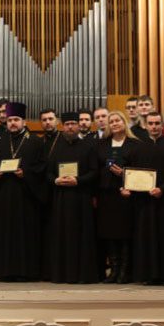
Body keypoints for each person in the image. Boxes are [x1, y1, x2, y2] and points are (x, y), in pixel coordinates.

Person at [0, 102, 46, 281]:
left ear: (24, 122)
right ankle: (5, 271)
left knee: (26, 234)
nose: (12, 123)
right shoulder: (0, 143)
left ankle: (28, 272)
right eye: (10, 120)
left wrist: (26, 173)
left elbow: (43, 167)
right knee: (5, 233)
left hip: (27, 196)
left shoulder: (35, 141)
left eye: (16, 120)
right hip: (4, 196)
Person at [123, 112, 164, 285]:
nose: (154, 127)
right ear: (146, 125)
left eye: (157, 123)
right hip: (144, 201)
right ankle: (149, 275)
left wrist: (162, 189)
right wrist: (126, 186)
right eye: (151, 123)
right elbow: (129, 170)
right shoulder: (137, 148)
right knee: (147, 237)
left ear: (161, 125)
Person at [44, 112, 99, 283]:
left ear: (78, 125)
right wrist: (55, 180)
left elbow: (94, 172)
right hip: (61, 199)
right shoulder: (56, 147)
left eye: (73, 123)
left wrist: (78, 180)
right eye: (67, 124)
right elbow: (48, 173)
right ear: (62, 126)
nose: (70, 127)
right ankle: (61, 274)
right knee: (62, 235)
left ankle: (82, 275)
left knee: (81, 236)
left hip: (81, 197)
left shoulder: (88, 147)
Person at [96, 111, 138, 283]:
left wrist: (124, 174)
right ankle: (114, 270)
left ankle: (124, 272)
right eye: (111, 121)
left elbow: (140, 170)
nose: (114, 123)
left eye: (117, 120)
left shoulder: (135, 144)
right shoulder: (101, 144)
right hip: (106, 195)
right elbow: (96, 169)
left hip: (125, 195)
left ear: (124, 122)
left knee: (124, 234)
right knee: (109, 233)